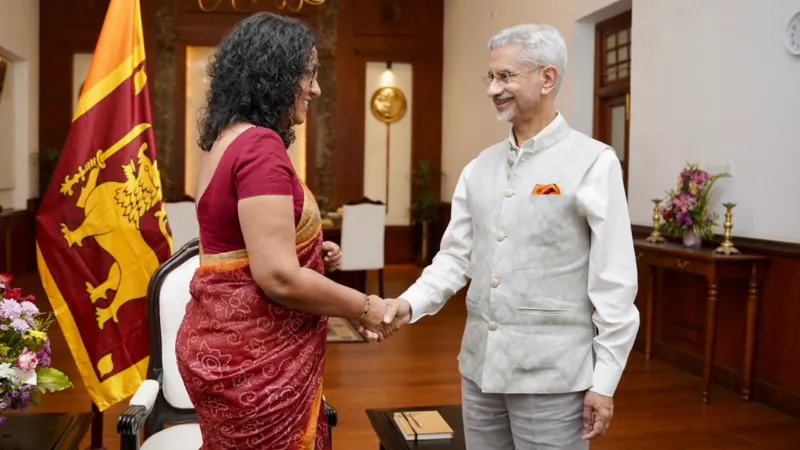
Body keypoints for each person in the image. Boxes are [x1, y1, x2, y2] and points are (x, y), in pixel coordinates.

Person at [382, 24, 640, 449]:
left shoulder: (594, 162)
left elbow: (614, 281)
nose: (493, 89)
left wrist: (605, 381)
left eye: (505, 76)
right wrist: (408, 303)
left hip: (554, 378)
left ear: (547, 78)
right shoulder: (479, 167)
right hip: (479, 369)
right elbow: (455, 257)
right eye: (491, 77)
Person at [175, 13, 391, 450]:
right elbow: (277, 276)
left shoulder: (226, 139)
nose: (316, 89)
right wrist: (365, 306)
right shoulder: (260, 146)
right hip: (254, 360)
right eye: (308, 74)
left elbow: (237, 243)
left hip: (222, 345)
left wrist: (311, 248)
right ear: (273, 75)